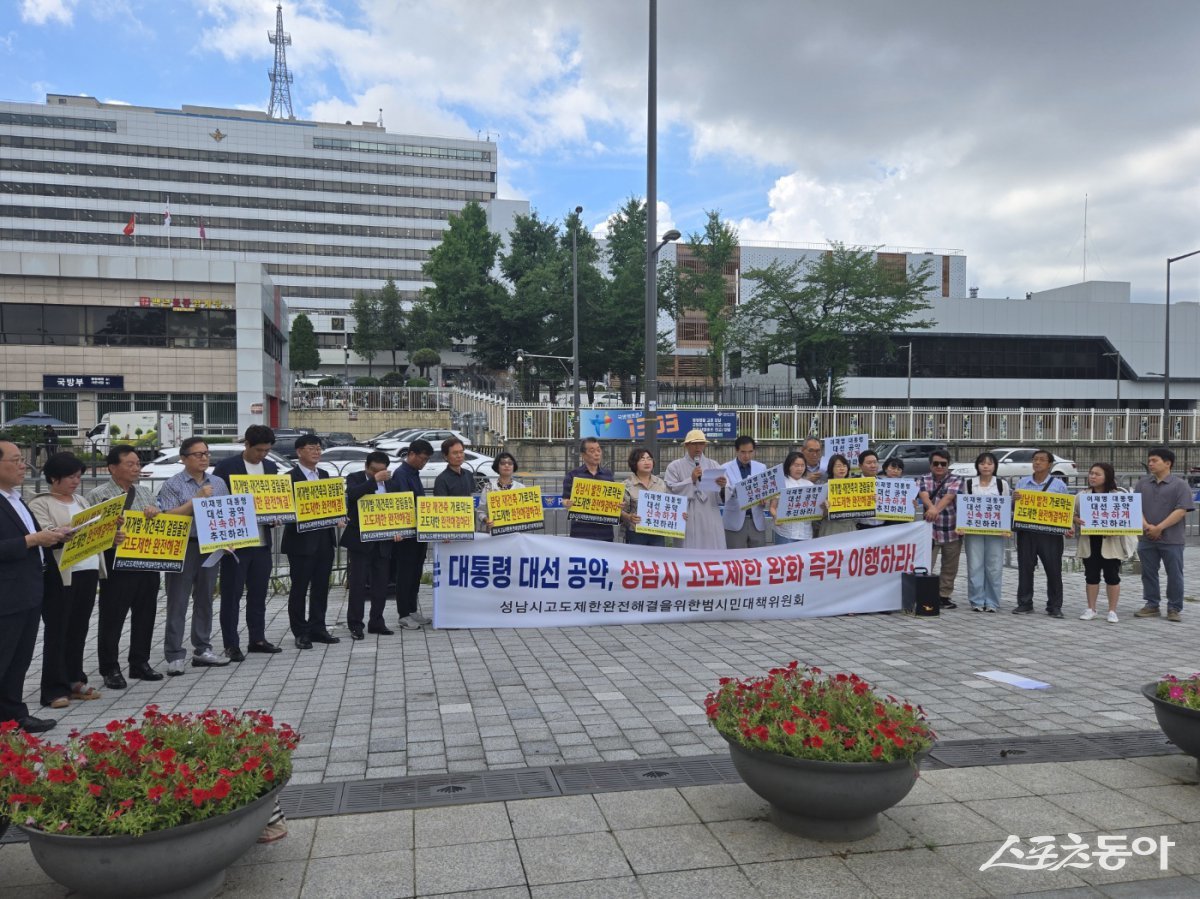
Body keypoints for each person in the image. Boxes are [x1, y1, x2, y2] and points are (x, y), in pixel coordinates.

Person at [29, 453, 106, 709]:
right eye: (71, 476)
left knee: (78, 628)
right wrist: (61, 533)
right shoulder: (41, 503)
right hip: (61, 574)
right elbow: (43, 532)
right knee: (57, 630)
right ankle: (53, 688)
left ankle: (75, 679)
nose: (76, 481)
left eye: (78, 476)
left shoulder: (82, 500)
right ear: (54, 478)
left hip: (87, 569)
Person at [0, 440, 66, 733]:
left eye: (22, 459)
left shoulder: (15, 497)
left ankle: (14, 715)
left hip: (29, 589)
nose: (23, 465)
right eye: (15, 460)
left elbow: (31, 536)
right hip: (7, 594)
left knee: (20, 659)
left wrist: (52, 535)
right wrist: (32, 540)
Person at [85, 444, 164, 687]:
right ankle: (110, 668)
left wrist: (156, 512)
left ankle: (140, 662)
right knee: (112, 617)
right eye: (129, 464)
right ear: (112, 468)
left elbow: (158, 524)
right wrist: (110, 535)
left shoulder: (145, 493)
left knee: (146, 614)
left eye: (137, 463)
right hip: (115, 563)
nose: (136, 468)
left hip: (146, 561)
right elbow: (89, 533)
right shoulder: (98, 495)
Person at [156, 437, 231, 674]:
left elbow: (227, 514)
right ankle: (174, 654)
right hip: (183, 546)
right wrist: (196, 500)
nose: (204, 458)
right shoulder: (173, 484)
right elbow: (169, 516)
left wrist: (231, 539)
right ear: (183, 458)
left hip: (211, 546)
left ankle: (203, 648)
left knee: (205, 599)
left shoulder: (218, 482)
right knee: (178, 600)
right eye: (198, 454)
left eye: (206, 453)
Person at [212, 425, 283, 659]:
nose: (262, 455)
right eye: (259, 450)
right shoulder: (227, 468)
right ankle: (231, 644)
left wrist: (276, 516)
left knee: (258, 593)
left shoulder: (271, 468)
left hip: (262, 542)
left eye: (267, 450)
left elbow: (275, 501)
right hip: (236, 543)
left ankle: (258, 638)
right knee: (231, 595)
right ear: (247, 445)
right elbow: (217, 503)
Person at [280, 435, 340, 649]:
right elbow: (285, 510)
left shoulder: (324, 475)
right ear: (299, 452)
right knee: (299, 588)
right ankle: (300, 631)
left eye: (319, 448)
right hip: (300, 542)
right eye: (311, 448)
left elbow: (332, 505)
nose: (316, 452)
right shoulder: (288, 478)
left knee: (321, 587)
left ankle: (318, 627)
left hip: (324, 540)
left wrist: (338, 516)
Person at [1134, 447, 1194, 623]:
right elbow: (1135, 507)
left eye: (1155, 460)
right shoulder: (1142, 484)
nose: (1150, 464)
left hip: (1172, 539)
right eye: (1150, 460)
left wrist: (1159, 527)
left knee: (1174, 574)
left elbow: (1181, 510)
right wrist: (1147, 526)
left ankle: (1174, 607)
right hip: (1146, 537)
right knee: (1148, 573)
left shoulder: (1180, 485)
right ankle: (1152, 604)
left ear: (1168, 463)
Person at [341, 451, 396, 640]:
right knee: (357, 585)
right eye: (374, 471)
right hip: (360, 541)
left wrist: (399, 530)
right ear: (367, 467)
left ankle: (377, 621)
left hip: (383, 541)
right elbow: (353, 495)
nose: (378, 474)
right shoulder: (355, 478)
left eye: (382, 471)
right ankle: (356, 624)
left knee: (381, 584)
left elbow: (397, 507)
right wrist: (373, 481)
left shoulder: (390, 482)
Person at [1012, 449, 1072, 618]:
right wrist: (1013, 501)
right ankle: (1025, 603)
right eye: (1035, 459)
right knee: (1025, 568)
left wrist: (1067, 527)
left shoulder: (1059, 485)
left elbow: (1064, 510)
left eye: (1041, 460)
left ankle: (1054, 606)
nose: (1037, 462)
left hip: (1050, 534)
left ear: (1050, 464)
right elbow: (1015, 509)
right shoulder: (1022, 483)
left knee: (1053, 570)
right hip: (1027, 532)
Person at [1075, 462, 1136, 623]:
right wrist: (1076, 520)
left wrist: (1116, 529)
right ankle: (1091, 608)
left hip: (1111, 543)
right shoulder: (1082, 496)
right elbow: (1072, 514)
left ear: (1107, 477)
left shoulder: (1117, 496)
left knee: (1112, 577)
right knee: (1091, 576)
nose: (1092, 477)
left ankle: (1112, 611)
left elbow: (1129, 520)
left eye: (1097, 474)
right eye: (1091, 473)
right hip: (1090, 543)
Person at [389, 439, 434, 630]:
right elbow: (402, 504)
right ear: (412, 454)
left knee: (415, 572)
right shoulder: (401, 474)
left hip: (419, 532)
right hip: (406, 534)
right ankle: (403, 614)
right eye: (422, 459)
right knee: (405, 574)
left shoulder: (414, 473)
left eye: (427, 460)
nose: (424, 463)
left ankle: (412, 609)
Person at [957, 451, 1009, 613]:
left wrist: (1006, 528)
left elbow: (1006, 507)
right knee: (974, 565)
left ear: (995, 466)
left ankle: (992, 601)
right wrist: (962, 526)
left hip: (996, 532)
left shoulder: (1002, 484)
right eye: (982, 463)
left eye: (989, 463)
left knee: (994, 566)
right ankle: (977, 600)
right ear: (977, 466)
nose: (986, 466)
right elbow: (964, 506)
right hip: (974, 531)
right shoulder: (969, 484)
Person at [664, 430, 727, 549]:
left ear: (705, 445)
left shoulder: (713, 464)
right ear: (686, 445)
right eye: (694, 444)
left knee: (711, 547)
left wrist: (723, 486)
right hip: (687, 515)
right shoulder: (674, 466)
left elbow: (723, 495)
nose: (698, 447)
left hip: (709, 513)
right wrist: (691, 479)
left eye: (701, 443)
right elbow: (670, 491)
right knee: (687, 548)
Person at [917, 449, 962, 610]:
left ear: (948, 464)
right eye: (935, 463)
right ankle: (923, 593)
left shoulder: (956, 479)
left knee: (950, 566)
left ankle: (944, 596)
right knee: (926, 563)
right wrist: (932, 508)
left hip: (951, 528)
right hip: (930, 529)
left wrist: (934, 510)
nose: (939, 466)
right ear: (930, 464)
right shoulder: (924, 478)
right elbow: (923, 495)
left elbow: (949, 496)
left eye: (943, 464)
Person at [562, 437, 616, 542]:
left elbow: (614, 499)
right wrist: (567, 503)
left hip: (605, 533)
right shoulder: (573, 475)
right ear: (583, 455)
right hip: (581, 533)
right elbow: (565, 499)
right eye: (592, 451)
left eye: (598, 450)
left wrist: (618, 505)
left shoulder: (608, 475)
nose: (597, 453)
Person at [722, 435, 768, 549]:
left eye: (750, 452)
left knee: (758, 560)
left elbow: (766, 491)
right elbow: (725, 493)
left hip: (756, 521)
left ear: (754, 451)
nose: (747, 456)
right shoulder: (725, 468)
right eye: (743, 452)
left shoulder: (761, 467)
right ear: (736, 450)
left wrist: (765, 499)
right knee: (735, 560)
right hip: (734, 521)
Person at [620, 448, 669, 547]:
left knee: (656, 561)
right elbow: (619, 511)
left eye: (649, 459)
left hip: (657, 533)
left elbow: (667, 507)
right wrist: (629, 517)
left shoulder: (660, 483)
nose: (647, 462)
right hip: (635, 533)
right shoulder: (626, 485)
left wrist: (679, 515)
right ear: (634, 463)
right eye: (642, 459)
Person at [768, 451, 813, 544]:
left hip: (805, 533)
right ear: (788, 466)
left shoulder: (810, 485)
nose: (800, 468)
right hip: (784, 533)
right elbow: (772, 507)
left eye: (802, 465)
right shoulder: (780, 484)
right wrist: (776, 517)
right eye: (796, 465)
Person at [478, 452, 524, 533]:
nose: (507, 465)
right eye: (503, 463)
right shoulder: (488, 487)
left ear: (514, 467)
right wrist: (487, 520)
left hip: (515, 534)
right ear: (497, 467)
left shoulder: (521, 488)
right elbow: (481, 512)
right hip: (494, 533)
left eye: (510, 463)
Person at [818, 454, 858, 539]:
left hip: (849, 528)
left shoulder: (855, 486)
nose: (842, 468)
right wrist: (824, 509)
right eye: (838, 466)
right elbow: (818, 515)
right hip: (831, 529)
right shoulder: (825, 487)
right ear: (831, 468)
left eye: (844, 465)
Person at [856, 450, 886, 531]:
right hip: (861, 528)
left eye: (875, 462)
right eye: (869, 463)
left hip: (883, 528)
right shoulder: (853, 484)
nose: (873, 466)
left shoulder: (885, 484)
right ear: (860, 466)